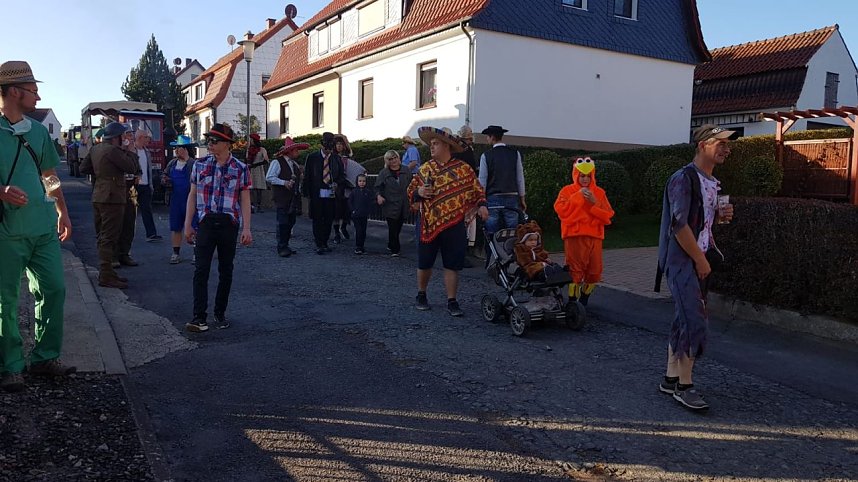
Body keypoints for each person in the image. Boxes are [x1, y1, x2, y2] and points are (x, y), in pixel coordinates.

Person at [0, 60, 76, 392]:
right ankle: (12, 365)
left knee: (54, 289)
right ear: (14, 92)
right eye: (32, 90)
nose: (37, 95)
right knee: (4, 299)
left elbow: (49, 176)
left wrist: (62, 211)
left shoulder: (39, 132)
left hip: (43, 228)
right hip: (7, 230)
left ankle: (45, 357)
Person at [655, 124, 735, 411]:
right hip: (682, 260)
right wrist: (700, 261)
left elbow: (702, 222)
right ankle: (684, 386)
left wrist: (721, 215)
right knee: (694, 320)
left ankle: (670, 378)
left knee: (683, 318)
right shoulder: (683, 178)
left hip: (698, 257)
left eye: (728, 145)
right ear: (703, 145)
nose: (727, 149)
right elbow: (679, 225)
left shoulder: (710, 181)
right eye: (721, 143)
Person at [407, 126, 488, 316]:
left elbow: (478, 191)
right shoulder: (425, 169)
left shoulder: (463, 170)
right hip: (429, 224)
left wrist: (482, 205)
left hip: (454, 224)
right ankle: (421, 294)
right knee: (424, 263)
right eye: (431, 144)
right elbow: (411, 191)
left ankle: (452, 300)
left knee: (452, 264)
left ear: (447, 146)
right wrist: (419, 192)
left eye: (435, 144)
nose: (431, 147)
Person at [184, 123, 252, 333]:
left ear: (226, 144)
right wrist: (188, 224)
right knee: (200, 269)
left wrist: (246, 228)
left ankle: (220, 313)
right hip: (205, 222)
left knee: (226, 270)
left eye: (214, 141)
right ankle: (198, 317)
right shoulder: (200, 165)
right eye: (209, 141)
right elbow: (193, 195)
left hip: (227, 223)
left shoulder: (240, 168)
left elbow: (245, 198)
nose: (210, 145)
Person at [81, 122, 140, 289]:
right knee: (109, 236)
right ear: (117, 138)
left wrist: (102, 175)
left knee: (102, 234)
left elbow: (84, 167)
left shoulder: (96, 148)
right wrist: (130, 152)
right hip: (112, 197)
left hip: (99, 194)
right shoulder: (113, 150)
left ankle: (107, 272)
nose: (125, 139)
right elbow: (131, 167)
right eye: (123, 136)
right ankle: (106, 275)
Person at [553, 157, 614, 306]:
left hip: (595, 237)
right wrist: (577, 197)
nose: (585, 179)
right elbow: (561, 211)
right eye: (582, 175)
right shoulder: (567, 191)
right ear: (576, 174)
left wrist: (594, 203)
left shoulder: (599, 193)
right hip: (575, 236)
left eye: (588, 176)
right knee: (575, 270)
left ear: (592, 175)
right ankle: (573, 301)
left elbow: (608, 215)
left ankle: (585, 297)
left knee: (595, 270)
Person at [479, 125, 527, 255]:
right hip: (512, 197)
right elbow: (520, 178)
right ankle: (511, 258)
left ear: (492, 137)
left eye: (487, 137)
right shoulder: (514, 154)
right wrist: (522, 198)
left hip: (493, 198)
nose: (487, 139)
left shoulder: (486, 156)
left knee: (492, 233)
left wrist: (481, 201)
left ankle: (492, 259)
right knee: (512, 233)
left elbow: (482, 182)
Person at [303, 131, 345, 255]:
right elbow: (307, 176)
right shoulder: (312, 158)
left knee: (328, 219)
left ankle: (325, 242)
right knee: (317, 219)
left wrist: (337, 183)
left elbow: (342, 176)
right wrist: (307, 193)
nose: (328, 151)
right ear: (322, 145)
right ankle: (318, 243)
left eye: (330, 149)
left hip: (331, 194)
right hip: (316, 194)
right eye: (326, 148)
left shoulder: (336, 159)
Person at [266, 136, 308, 257]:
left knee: (290, 222)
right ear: (289, 151)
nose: (297, 152)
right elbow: (269, 177)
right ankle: (281, 247)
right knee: (283, 223)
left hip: (292, 198)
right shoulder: (277, 162)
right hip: (282, 197)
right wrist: (284, 183)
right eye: (295, 150)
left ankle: (286, 245)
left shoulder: (294, 164)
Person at [162, 135, 198, 264]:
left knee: (194, 226)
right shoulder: (172, 163)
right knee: (176, 227)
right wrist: (165, 180)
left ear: (186, 149)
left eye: (179, 148)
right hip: (175, 199)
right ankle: (175, 253)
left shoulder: (194, 164)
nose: (176, 150)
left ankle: (196, 253)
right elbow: (164, 175)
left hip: (190, 199)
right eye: (176, 148)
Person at [374, 150, 412, 257]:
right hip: (389, 204)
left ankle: (391, 244)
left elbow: (413, 184)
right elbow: (377, 187)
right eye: (391, 159)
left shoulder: (406, 170)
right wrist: (378, 196)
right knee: (393, 226)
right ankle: (395, 249)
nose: (394, 160)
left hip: (403, 204)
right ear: (387, 161)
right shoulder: (384, 173)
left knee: (398, 226)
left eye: (395, 157)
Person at [133, 129, 161, 242]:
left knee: (147, 209)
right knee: (131, 211)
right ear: (140, 138)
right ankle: (126, 235)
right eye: (146, 137)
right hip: (134, 186)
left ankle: (151, 234)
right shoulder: (131, 151)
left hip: (145, 185)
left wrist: (151, 185)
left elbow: (149, 169)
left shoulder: (147, 152)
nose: (148, 140)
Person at [457, 125, 479, 264]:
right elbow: (470, 168)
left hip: (458, 188)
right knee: (466, 221)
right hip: (465, 188)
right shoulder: (466, 150)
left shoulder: (457, 147)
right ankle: (463, 253)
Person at [332, 134, 360, 243]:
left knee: (347, 210)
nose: (339, 146)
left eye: (341, 144)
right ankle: (336, 233)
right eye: (337, 144)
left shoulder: (348, 157)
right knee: (336, 211)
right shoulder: (332, 157)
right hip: (337, 188)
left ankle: (343, 227)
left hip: (348, 188)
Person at [348, 173, 374, 254]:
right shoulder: (354, 192)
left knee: (363, 231)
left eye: (363, 181)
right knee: (359, 230)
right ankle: (358, 247)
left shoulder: (368, 192)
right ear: (357, 182)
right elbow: (350, 202)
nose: (362, 183)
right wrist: (353, 210)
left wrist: (369, 211)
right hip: (356, 215)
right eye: (360, 181)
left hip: (364, 215)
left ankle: (361, 246)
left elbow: (370, 202)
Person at [247, 133, 269, 213]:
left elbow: (266, 161)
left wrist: (255, 164)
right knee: (251, 189)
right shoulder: (249, 149)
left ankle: (259, 206)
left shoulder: (262, 149)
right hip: (251, 170)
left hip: (258, 169)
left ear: (254, 140)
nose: (250, 141)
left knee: (259, 188)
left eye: (251, 140)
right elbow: (247, 159)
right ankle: (251, 206)